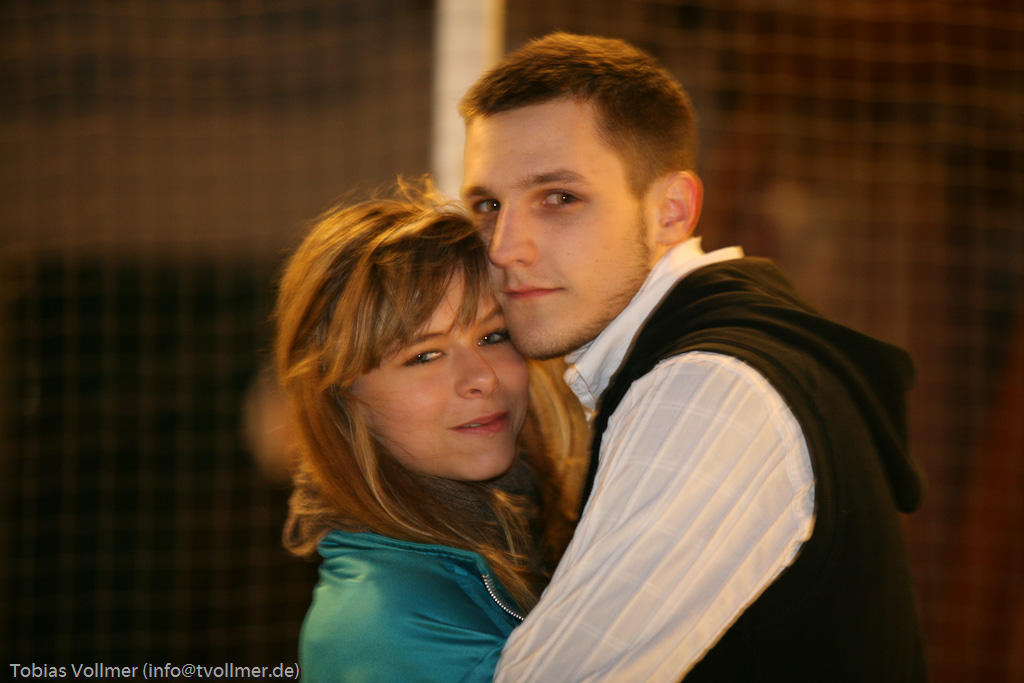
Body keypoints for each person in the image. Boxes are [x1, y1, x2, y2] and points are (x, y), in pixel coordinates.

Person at [459, 33, 926, 681]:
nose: (505, 247)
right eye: (488, 205)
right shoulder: (730, 341)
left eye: (559, 198)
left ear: (671, 211)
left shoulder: (706, 389)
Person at [273, 182, 582, 682]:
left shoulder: (515, 531)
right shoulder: (392, 627)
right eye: (425, 355)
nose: (482, 377)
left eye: (493, 335)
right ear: (341, 396)